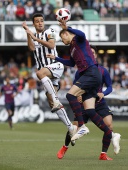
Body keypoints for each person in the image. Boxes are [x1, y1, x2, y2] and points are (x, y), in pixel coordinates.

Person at [46, 19, 120, 148]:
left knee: (70, 95)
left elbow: (81, 34)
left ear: (66, 34)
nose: (63, 41)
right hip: (89, 75)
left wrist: (66, 27)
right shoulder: (72, 48)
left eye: (62, 38)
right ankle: (112, 135)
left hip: (91, 73)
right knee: (90, 110)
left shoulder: (78, 40)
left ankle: (82, 126)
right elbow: (71, 63)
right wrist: (56, 58)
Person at [57, 45, 121, 160]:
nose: (91, 54)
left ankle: (103, 154)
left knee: (109, 124)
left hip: (99, 102)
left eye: (93, 52)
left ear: (95, 55)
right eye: (89, 52)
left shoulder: (102, 70)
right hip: (85, 102)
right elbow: (75, 88)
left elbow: (110, 87)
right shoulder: (80, 71)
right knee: (74, 127)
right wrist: (79, 96)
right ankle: (64, 147)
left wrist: (104, 93)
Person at [22, 13, 77, 137]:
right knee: (52, 104)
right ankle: (70, 127)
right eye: (37, 21)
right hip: (46, 73)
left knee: (39, 73)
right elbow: (31, 48)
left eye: (42, 20)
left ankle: (57, 101)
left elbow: (52, 45)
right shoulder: (33, 35)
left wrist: (36, 39)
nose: (40, 23)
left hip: (55, 65)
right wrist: (28, 33)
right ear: (34, 24)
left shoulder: (50, 31)